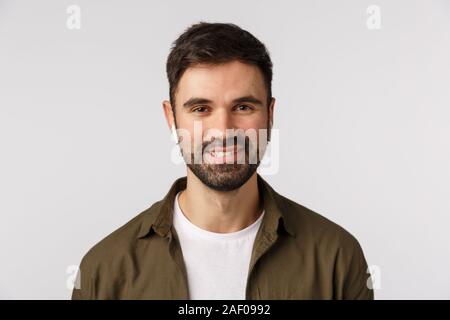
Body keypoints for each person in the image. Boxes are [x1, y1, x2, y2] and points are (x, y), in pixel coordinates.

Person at [72, 22, 374, 300]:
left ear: (270, 113)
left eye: (243, 106)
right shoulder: (104, 271)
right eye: (201, 109)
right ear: (171, 117)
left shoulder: (337, 258)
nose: (223, 130)